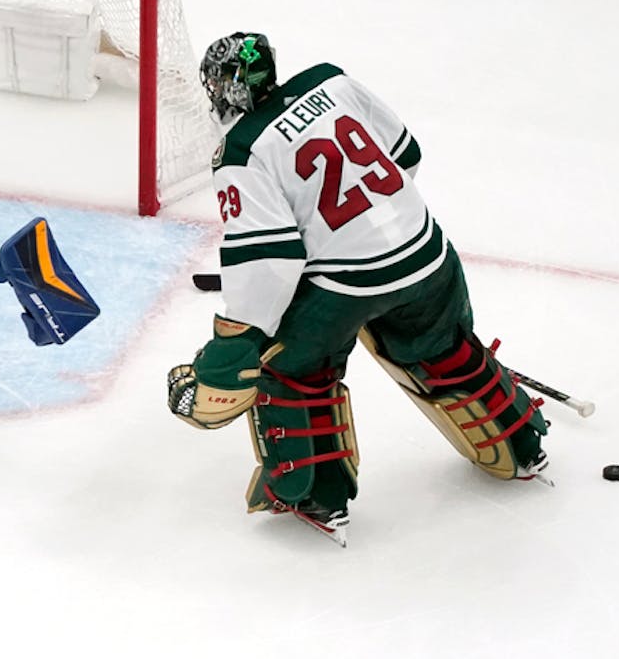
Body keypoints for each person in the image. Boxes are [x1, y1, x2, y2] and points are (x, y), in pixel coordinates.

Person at [166, 32, 549, 546]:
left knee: (291, 367)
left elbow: (269, 259)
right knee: (443, 348)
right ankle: (521, 444)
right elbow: (405, 155)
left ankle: (315, 494)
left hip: (348, 286)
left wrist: (239, 335)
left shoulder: (240, 152)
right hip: (429, 253)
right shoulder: (332, 81)